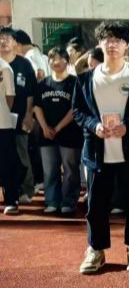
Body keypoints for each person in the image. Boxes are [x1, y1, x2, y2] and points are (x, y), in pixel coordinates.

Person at [74, 21, 129, 274]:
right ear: (99, 43)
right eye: (108, 40)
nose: (112, 45)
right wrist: (94, 125)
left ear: (127, 45)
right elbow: (78, 111)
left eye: (118, 40)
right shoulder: (86, 79)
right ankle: (96, 249)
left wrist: (128, 126)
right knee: (96, 205)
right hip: (97, 152)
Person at [33, 47, 82, 214]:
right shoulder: (43, 84)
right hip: (46, 135)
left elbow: (75, 109)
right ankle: (52, 201)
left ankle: (69, 201)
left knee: (70, 169)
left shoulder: (75, 83)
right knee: (49, 169)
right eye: (53, 59)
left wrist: (58, 127)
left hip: (70, 133)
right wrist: (45, 127)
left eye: (60, 58)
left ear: (67, 61)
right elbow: (37, 107)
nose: (56, 62)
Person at [0, 27, 37, 205]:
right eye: (1, 38)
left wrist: (29, 115)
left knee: (21, 154)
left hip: (20, 118)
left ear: (16, 43)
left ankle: (26, 189)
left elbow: (31, 92)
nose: (4, 41)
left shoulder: (24, 64)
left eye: (8, 38)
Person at [1, 54, 20, 215]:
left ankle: (11, 200)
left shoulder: (5, 67)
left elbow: (10, 97)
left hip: (2, 123)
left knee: (7, 163)